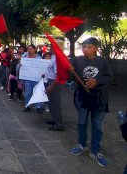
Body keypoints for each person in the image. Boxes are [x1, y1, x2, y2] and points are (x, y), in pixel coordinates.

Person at [69, 37, 113, 168]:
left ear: (96, 48)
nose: (85, 49)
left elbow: (110, 77)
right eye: (83, 47)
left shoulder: (103, 61)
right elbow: (71, 78)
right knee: (81, 122)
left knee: (97, 126)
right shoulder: (76, 61)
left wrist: (97, 81)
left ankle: (95, 151)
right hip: (82, 98)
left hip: (98, 98)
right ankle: (81, 144)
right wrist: (69, 71)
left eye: (88, 47)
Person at [43, 51, 65, 131]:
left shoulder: (57, 59)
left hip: (54, 83)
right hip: (50, 81)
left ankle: (59, 124)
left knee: (55, 103)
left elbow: (58, 75)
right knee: (51, 103)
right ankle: (54, 119)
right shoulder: (53, 57)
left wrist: (52, 86)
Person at [22, 44, 43, 113]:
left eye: (31, 49)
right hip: (28, 78)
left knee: (37, 92)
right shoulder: (25, 57)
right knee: (28, 93)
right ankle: (27, 106)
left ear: (35, 49)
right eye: (28, 49)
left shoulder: (39, 58)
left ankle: (38, 106)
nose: (29, 50)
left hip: (36, 78)